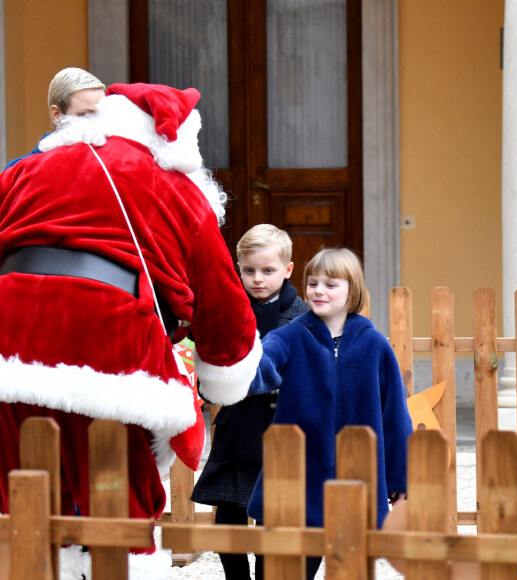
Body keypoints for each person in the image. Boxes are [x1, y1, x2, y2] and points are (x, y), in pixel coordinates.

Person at [0, 82, 261, 579]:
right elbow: (223, 305)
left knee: (25, 495)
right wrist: (222, 376)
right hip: (108, 352)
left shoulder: (24, 169)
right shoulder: (173, 184)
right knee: (120, 500)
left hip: (8, 351)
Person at [246, 247, 414, 580]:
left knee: (349, 569)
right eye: (313, 283)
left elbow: (394, 414)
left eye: (331, 284)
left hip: (356, 479)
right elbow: (260, 370)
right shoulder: (290, 336)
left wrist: (400, 478)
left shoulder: (375, 345)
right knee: (282, 569)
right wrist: (236, 364)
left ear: (352, 290)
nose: (318, 291)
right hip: (297, 476)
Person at [193, 223, 308, 579]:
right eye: (249, 270)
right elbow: (210, 364)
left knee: (274, 514)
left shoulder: (302, 315)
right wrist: (210, 384)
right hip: (237, 426)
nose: (258, 279)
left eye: (268, 270)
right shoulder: (229, 311)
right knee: (229, 513)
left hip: (281, 429)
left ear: (288, 269)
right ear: (238, 268)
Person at [4, 67, 106, 169]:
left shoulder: (112, 162)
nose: (96, 122)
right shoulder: (20, 170)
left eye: (101, 114)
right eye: (84, 115)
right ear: (57, 115)